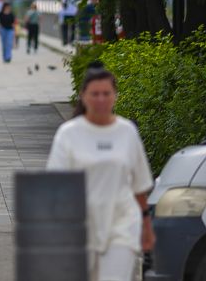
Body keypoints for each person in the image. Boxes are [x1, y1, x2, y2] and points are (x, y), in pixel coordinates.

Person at [47, 68, 154, 281]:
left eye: (106, 93)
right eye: (95, 94)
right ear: (83, 96)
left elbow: (139, 184)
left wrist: (146, 226)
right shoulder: (68, 134)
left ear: (115, 96)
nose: (101, 99)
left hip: (121, 223)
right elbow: (56, 184)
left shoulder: (127, 132)